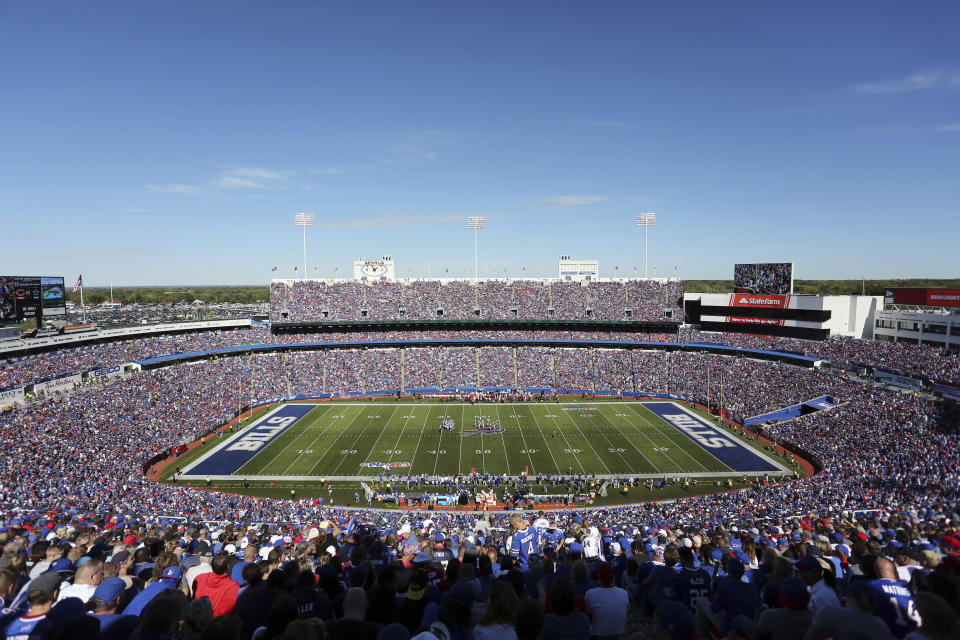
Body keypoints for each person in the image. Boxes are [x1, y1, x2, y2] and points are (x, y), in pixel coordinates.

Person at [584, 562, 628, 639]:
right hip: (620, 634)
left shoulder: (590, 593)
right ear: (613, 577)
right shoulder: (623, 592)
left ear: (598, 578)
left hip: (597, 635)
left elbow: (588, 612)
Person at [542, 575, 590, 640]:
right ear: (573, 598)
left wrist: (541, 595)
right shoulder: (584, 620)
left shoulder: (545, 623)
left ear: (552, 598)